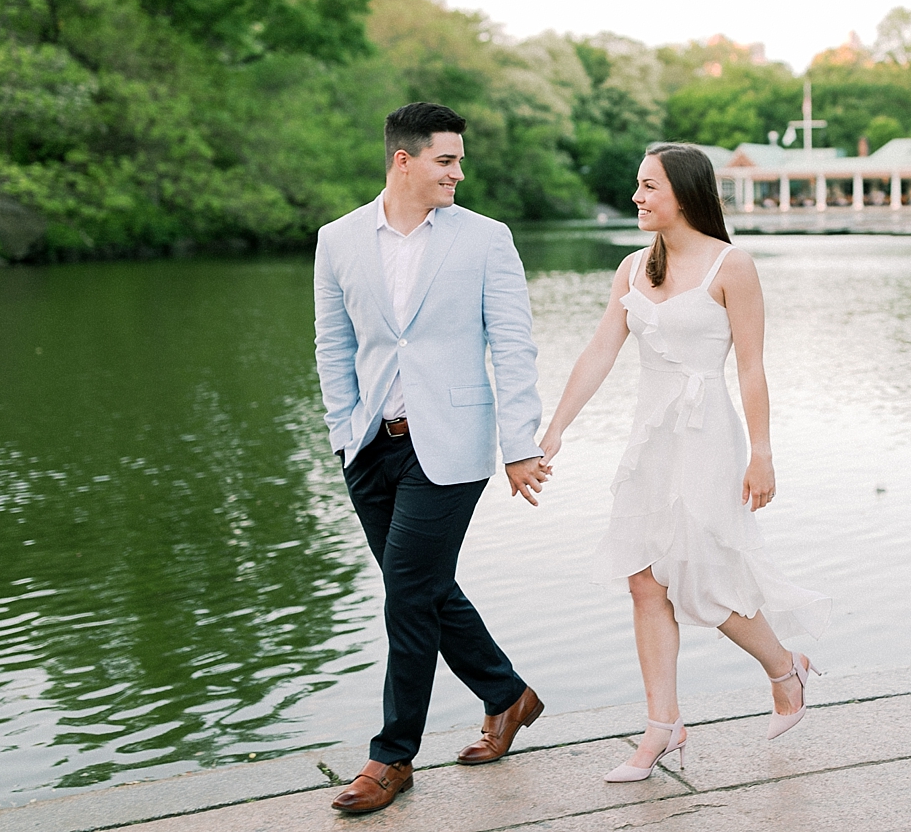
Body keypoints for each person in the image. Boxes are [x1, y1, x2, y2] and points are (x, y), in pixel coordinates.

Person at [539, 143, 830, 783]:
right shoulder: (632, 268)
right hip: (651, 437)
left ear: (685, 193)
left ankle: (786, 668)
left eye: (649, 187)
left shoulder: (734, 265)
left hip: (709, 439)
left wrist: (762, 453)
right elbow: (599, 352)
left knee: (704, 577)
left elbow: (752, 368)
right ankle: (662, 727)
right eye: (637, 186)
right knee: (644, 578)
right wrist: (555, 428)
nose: (638, 197)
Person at [313, 102, 552, 814]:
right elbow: (332, 343)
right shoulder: (338, 239)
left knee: (408, 592)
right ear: (404, 161)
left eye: (459, 159)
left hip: (450, 446)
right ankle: (507, 694)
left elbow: (513, 344)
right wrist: (340, 430)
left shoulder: (485, 239)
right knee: (423, 585)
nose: (458, 171)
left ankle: (392, 756)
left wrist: (521, 444)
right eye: (446, 160)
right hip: (367, 444)